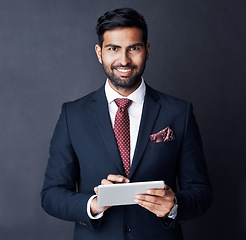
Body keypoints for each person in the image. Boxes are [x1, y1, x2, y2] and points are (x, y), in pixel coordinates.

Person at [41, 8, 212, 240]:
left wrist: (174, 205)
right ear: (99, 53)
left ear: (147, 50)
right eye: (113, 49)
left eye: (134, 48)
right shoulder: (73, 114)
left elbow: (202, 192)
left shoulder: (179, 112)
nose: (124, 60)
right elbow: (51, 194)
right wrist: (94, 203)